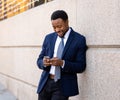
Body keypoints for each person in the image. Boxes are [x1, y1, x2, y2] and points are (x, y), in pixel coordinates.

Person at [37, 10, 87, 100]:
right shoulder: (48, 38)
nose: (57, 30)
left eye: (59, 26)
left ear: (67, 22)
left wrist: (62, 63)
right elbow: (39, 60)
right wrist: (44, 63)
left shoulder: (79, 40)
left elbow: (81, 66)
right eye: (54, 27)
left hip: (63, 86)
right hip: (45, 82)